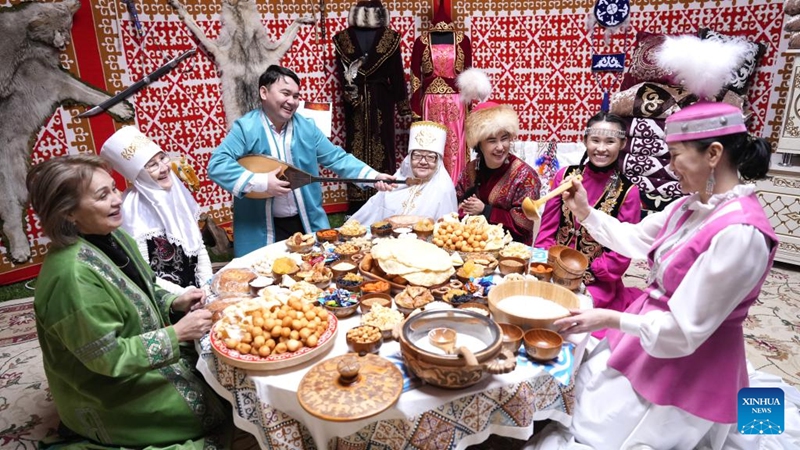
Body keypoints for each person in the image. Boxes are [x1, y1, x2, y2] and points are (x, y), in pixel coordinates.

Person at [530, 100, 782, 449]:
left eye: (675, 155)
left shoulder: (741, 234)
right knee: (585, 390)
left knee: (597, 432)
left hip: (690, 357)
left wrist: (611, 318)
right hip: (651, 332)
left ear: (713, 153)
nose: (669, 167)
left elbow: (685, 331)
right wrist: (586, 212)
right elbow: (634, 239)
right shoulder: (690, 206)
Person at [27, 154, 229, 448]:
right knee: (213, 405)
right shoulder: (72, 278)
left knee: (222, 367)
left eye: (114, 188)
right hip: (108, 390)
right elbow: (106, 358)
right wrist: (177, 333)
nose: (117, 199)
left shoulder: (114, 237)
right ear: (68, 212)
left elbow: (142, 291)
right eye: (102, 195)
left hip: (139, 357)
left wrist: (176, 301)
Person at [207, 65, 396, 257]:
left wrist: (373, 176)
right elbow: (217, 164)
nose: (292, 101)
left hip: (305, 221)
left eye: (296, 96)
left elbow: (337, 158)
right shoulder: (246, 128)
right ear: (264, 92)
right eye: (285, 93)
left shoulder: (307, 127)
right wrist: (261, 182)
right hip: (261, 228)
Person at [534, 112, 642, 338]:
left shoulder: (628, 192)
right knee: (534, 307)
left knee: (571, 319)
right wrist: (546, 264)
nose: (601, 148)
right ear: (585, 141)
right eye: (596, 140)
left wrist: (585, 274)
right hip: (554, 267)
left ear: (622, 144)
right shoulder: (565, 176)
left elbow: (622, 252)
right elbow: (547, 230)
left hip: (597, 279)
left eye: (610, 141)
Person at [100, 126, 212, 294]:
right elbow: (143, 271)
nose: (164, 168)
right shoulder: (131, 208)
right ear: (138, 174)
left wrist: (207, 285)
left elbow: (198, 245)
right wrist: (184, 296)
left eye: (163, 158)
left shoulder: (177, 194)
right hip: (165, 299)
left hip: (198, 292)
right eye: (152, 165)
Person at [455, 99, 541, 245]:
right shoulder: (469, 170)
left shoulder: (525, 176)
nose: (500, 147)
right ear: (479, 144)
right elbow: (458, 206)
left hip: (511, 254)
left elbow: (526, 223)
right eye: (492, 140)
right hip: (472, 246)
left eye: (504, 139)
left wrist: (486, 211)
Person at [350, 120, 458, 224]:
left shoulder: (444, 190)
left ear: (438, 162)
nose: (423, 162)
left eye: (430, 157)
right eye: (417, 156)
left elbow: (447, 232)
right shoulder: (397, 182)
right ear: (409, 159)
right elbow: (371, 215)